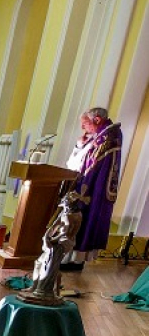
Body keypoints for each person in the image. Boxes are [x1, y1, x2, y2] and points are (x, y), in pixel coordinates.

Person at [62, 107, 123, 270]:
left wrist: (81, 185)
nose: (83, 128)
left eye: (85, 123)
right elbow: (79, 159)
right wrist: (80, 144)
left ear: (97, 120)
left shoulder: (108, 136)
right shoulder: (101, 135)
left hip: (92, 189)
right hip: (88, 186)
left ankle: (75, 260)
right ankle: (70, 259)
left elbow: (91, 166)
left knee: (81, 220)